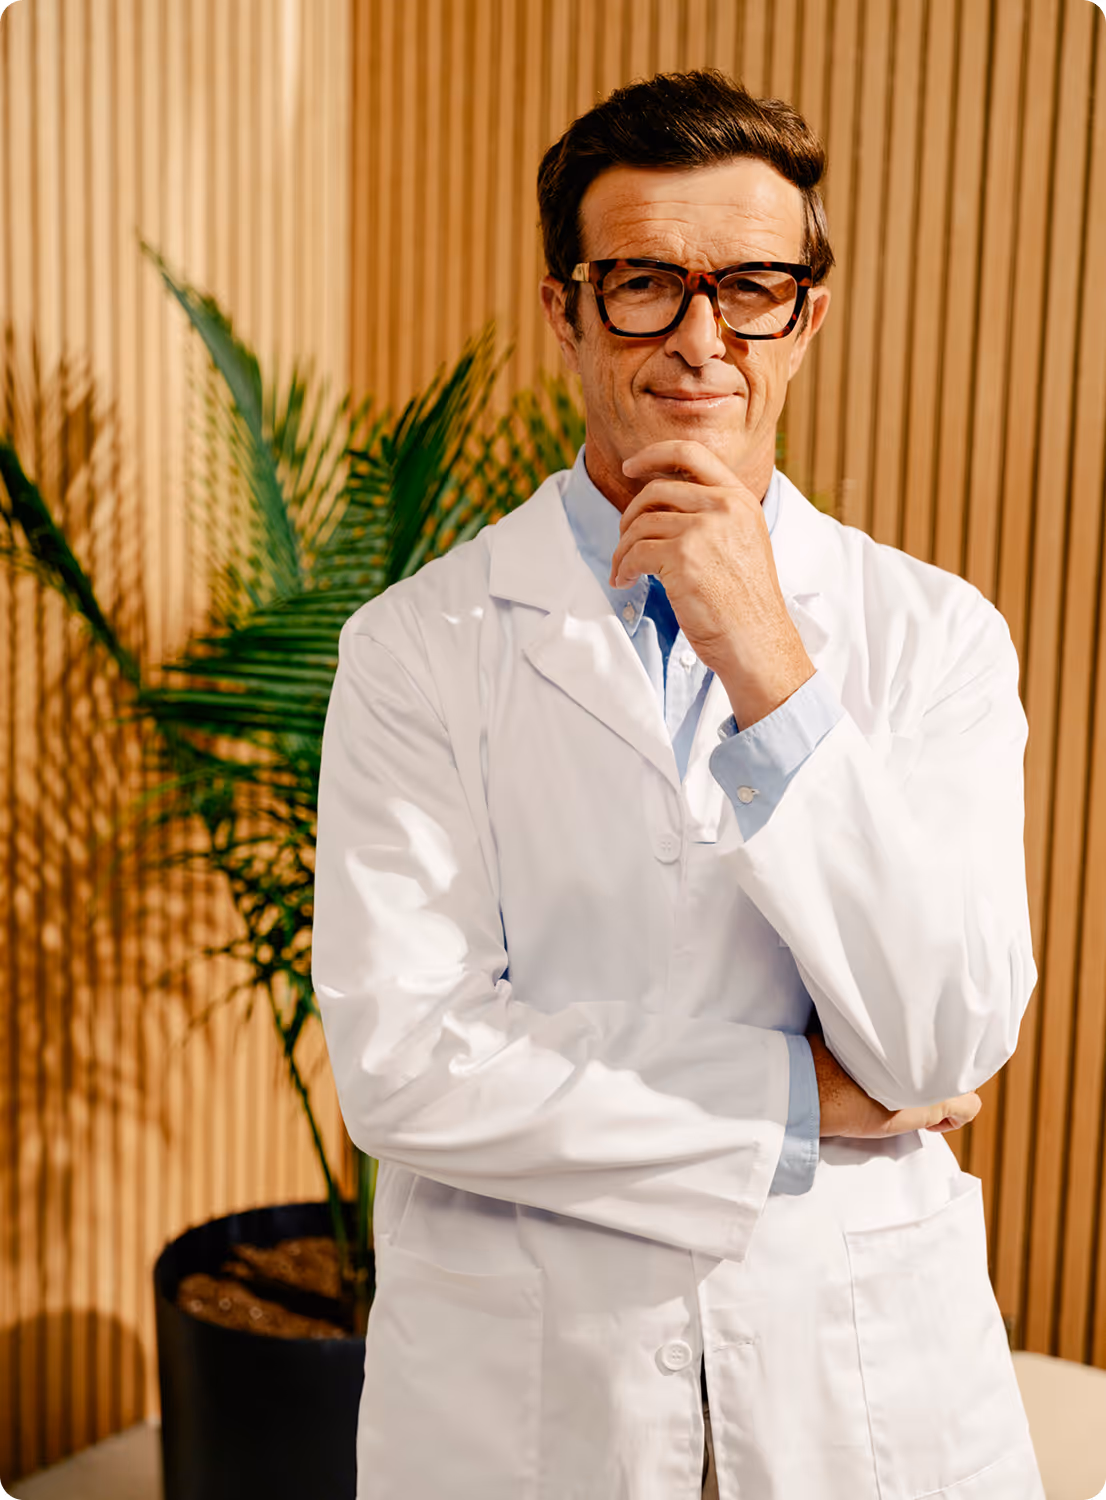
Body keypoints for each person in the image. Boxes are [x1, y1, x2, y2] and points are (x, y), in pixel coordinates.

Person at [313, 69, 1044, 1500]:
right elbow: (407, 1066)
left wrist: (767, 657)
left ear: (806, 315)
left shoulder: (932, 634)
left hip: (855, 1370)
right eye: (643, 282)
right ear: (565, 306)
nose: (699, 338)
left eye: (750, 286)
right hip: (531, 1393)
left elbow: (945, 1038)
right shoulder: (413, 648)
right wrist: (797, 1098)